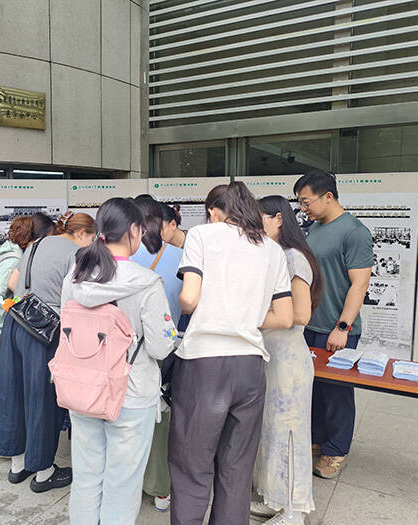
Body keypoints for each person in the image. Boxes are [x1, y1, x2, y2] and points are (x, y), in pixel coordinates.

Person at [169, 182, 294, 525]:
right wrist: (244, 317)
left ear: (213, 212)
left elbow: (188, 299)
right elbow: (285, 317)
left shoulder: (201, 235)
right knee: (237, 467)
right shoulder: (271, 249)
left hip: (204, 364)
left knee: (191, 465)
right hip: (250, 365)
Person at [63, 198, 176, 525]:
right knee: (123, 484)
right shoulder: (145, 281)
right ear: (134, 231)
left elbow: (66, 329)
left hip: (83, 389)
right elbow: (160, 347)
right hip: (131, 393)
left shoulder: (76, 275)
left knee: (86, 477)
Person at [0, 211, 95, 493]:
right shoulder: (75, 253)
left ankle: (18, 465)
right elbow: (78, 298)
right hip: (42, 331)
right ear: (82, 233)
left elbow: (13, 283)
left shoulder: (35, 244)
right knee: (43, 399)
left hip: (15, 321)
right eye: (92, 237)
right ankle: (43, 472)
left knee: (14, 394)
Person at [293, 169, 372, 479]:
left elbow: (360, 284)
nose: (303, 208)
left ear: (328, 196)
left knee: (337, 391)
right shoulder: (315, 228)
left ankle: (336, 450)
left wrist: (342, 328)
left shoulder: (354, 232)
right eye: (300, 203)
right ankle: (317, 439)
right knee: (313, 387)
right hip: (309, 324)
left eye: (306, 201)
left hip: (336, 328)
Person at [252, 196, 324, 525]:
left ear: (278, 219)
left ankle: (294, 512)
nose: (255, 227)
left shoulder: (294, 257)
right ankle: (276, 499)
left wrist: (254, 315)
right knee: (271, 433)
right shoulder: (277, 254)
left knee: (289, 436)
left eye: (260, 219)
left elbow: (301, 313)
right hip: (273, 357)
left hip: (289, 361)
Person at [0, 213, 53, 460]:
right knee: (3, 393)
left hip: (11, 330)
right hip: (6, 333)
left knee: (5, 390)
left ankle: (3, 445)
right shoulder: (14, 259)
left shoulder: (15, 254)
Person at [130, 196, 184, 512]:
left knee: (125, 417)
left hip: (122, 349)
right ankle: (160, 488)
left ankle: (128, 482)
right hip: (165, 348)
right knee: (161, 419)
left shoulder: (119, 256)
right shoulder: (179, 256)